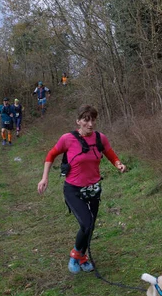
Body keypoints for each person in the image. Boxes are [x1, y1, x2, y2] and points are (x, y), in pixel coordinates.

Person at [37, 105, 127, 274]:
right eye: (86, 120)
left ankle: (82, 256)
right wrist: (44, 178)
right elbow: (50, 155)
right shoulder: (67, 139)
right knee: (86, 223)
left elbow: (110, 154)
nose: (90, 124)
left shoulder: (101, 138)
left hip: (93, 189)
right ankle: (75, 254)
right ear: (78, 121)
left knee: (90, 226)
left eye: (93, 120)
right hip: (73, 190)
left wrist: (118, 164)